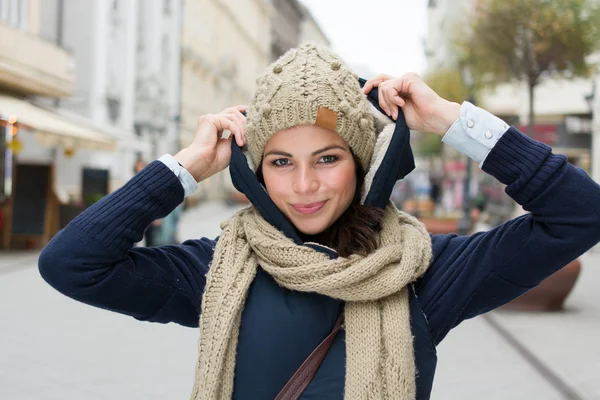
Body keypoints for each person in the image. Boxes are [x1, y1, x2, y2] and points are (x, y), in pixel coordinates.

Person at [38, 43, 600, 400]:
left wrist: (453, 120)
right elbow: (72, 264)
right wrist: (185, 168)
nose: (304, 186)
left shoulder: (426, 272)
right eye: (281, 162)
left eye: (327, 159)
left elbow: (580, 215)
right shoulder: (218, 272)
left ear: (361, 167)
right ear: (256, 172)